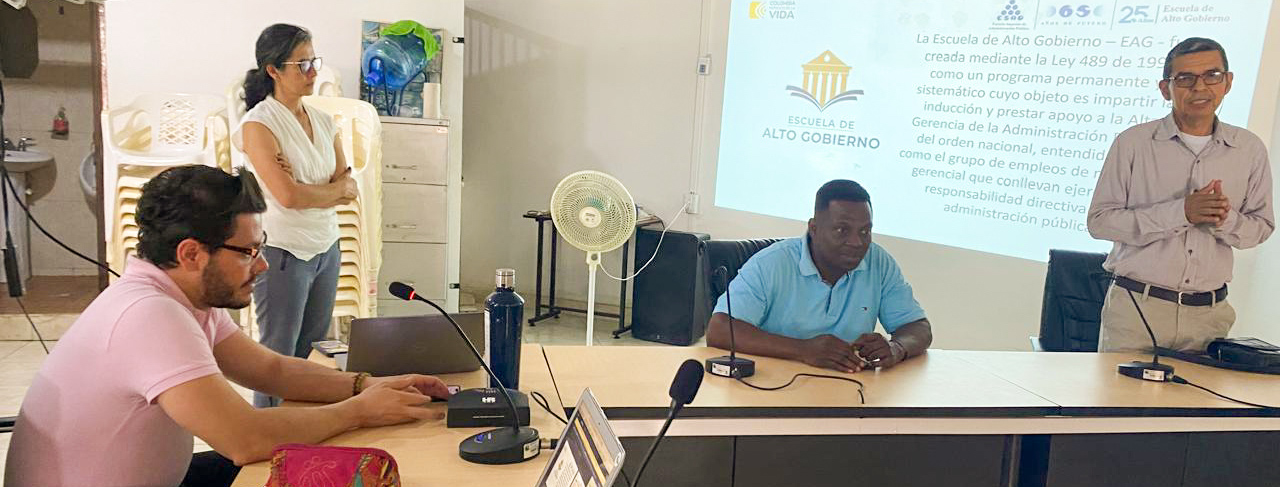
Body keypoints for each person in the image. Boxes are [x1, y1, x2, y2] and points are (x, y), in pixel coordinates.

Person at [4, 166, 449, 487]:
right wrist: (361, 410)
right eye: (248, 252)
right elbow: (245, 438)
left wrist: (369, 385)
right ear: (191, 254)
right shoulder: (148, 315)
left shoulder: (185, 295)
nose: (262, 265)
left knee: (332, 457)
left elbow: (271, 371)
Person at [1088, 37, 1274, 353]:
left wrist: (1224, 219)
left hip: (1209, 316)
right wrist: (1182, 213)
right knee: (1118, 389)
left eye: (1212, 75)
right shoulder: (1133, 143)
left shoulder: (1249, 149)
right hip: (1137, 309)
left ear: (1228, 82)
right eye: (1185, 78)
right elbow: (1100, 222)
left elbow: (1261, 227)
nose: (1200, 87)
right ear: (1166, 89)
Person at [234, 23, 358, 407]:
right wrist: (328, 190)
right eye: (301, 64)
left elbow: (349, 186)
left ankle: (301, 429)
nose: (312, 72)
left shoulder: (323, 121)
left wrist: (313, 189)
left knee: (310, 353)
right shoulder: (259, 124)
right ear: (273, 70)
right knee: (276, 359)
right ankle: (268, 434)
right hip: (283, 251)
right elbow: (288, 197)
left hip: (326, 246)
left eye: (313, 61)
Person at [706, 179, 932, 373]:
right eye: (842, 230)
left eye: (865, 231)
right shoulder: (771, 263)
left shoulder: (878, 262)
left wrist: (896, 348)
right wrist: (803, 350)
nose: (857, 242)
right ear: (814, 228)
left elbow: (919, 328)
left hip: (848, 389)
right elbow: (719, 330)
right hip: (773, 387)